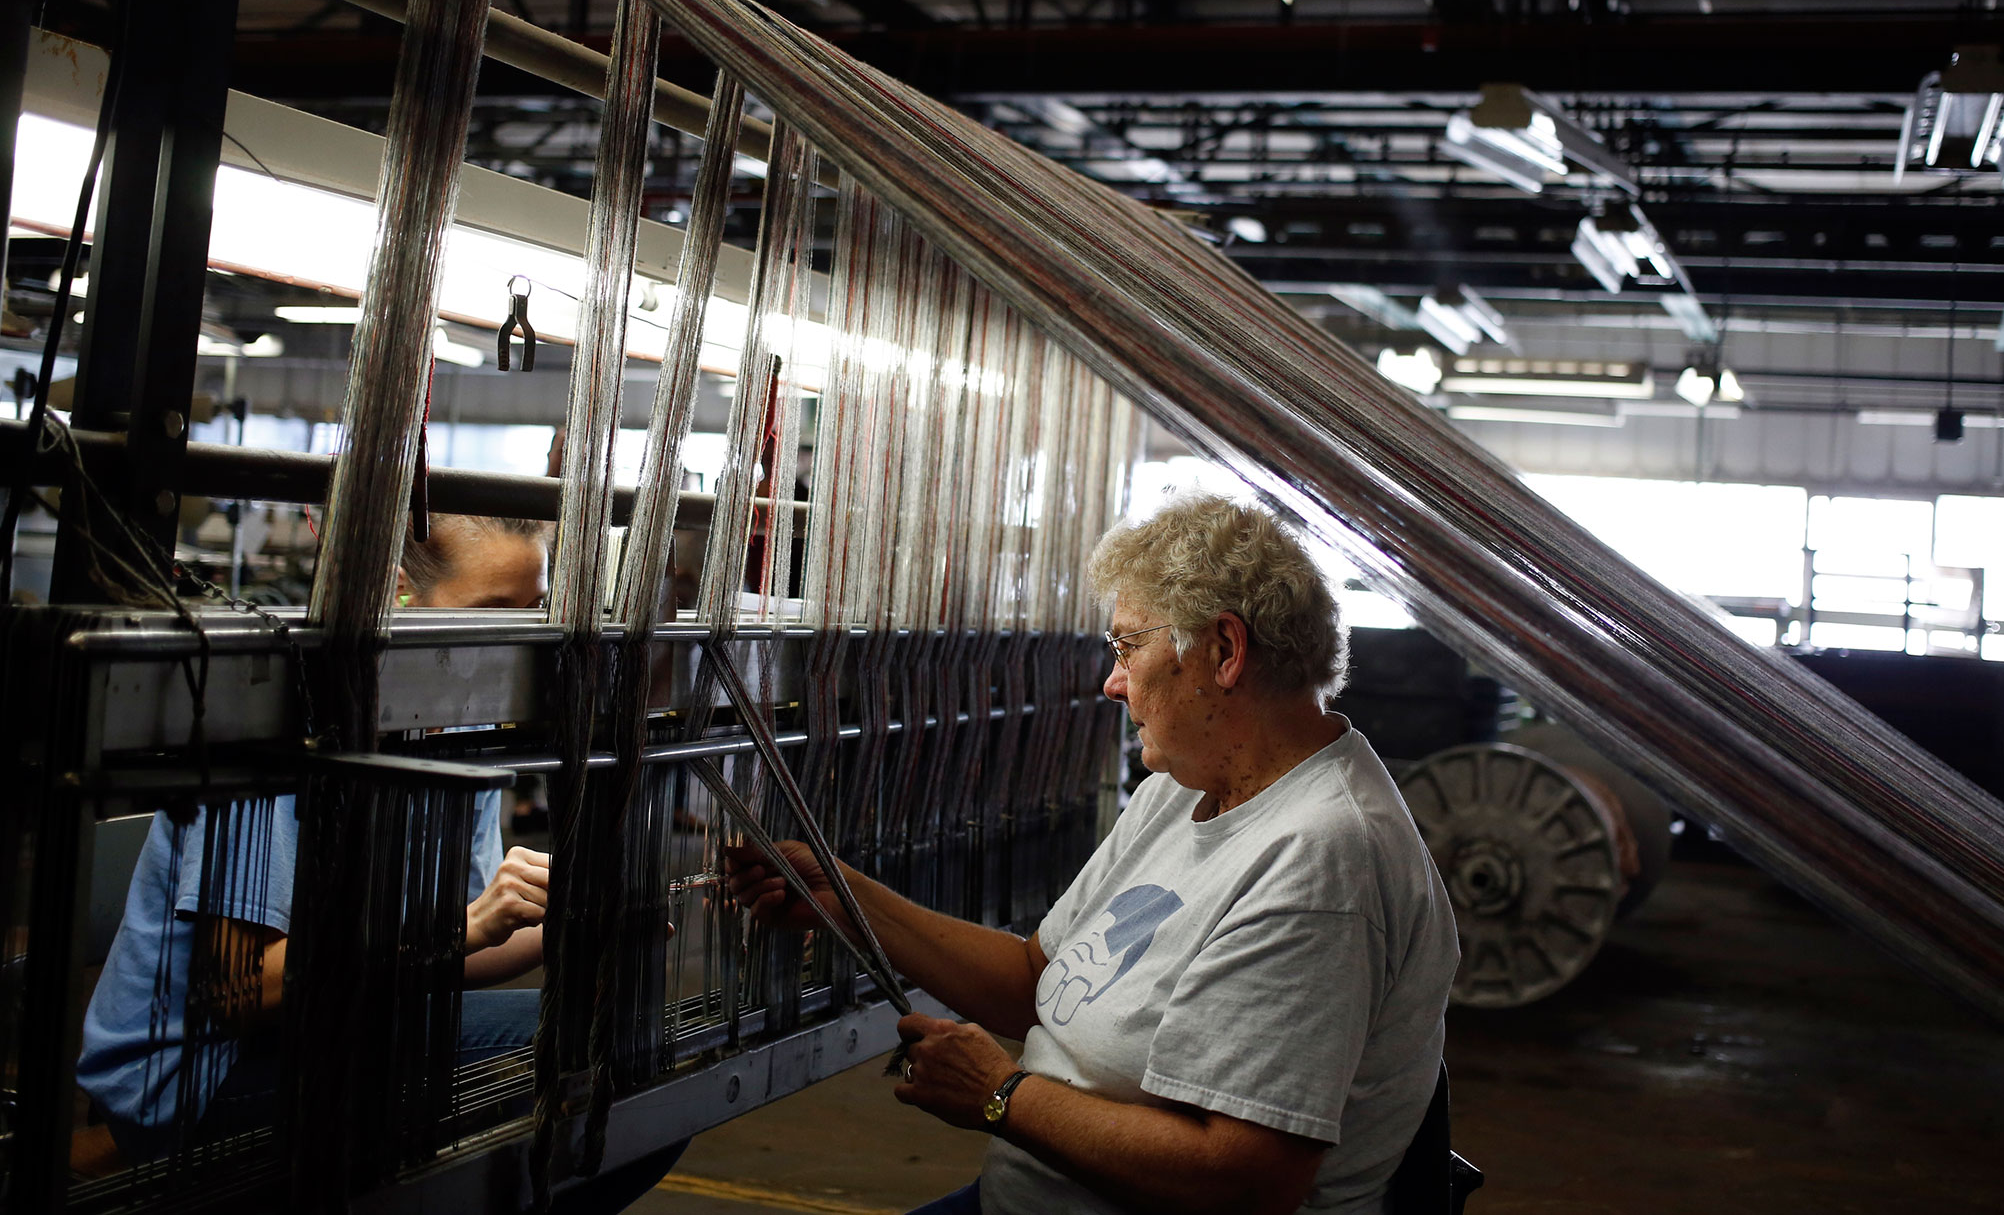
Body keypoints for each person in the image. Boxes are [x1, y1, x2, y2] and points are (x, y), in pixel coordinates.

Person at [728, 493, 1460, 1215]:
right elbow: (1038, 979)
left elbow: (1243, 1181)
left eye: (1127, 646)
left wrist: (1000, 1094)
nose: (1112, 681)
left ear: (1224, 651)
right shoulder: (1182, 790)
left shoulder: (1323, 860)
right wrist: (844, 898)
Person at [77, 514, 556, 1166]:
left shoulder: (458, 731)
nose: (519, 642)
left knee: (609, 1033)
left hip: (336, 1017)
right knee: (554, 1044)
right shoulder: (283, 715)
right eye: (493, 610)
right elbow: (241, 992)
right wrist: (459, 927)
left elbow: (456, 947)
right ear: (394, 595)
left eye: (533, 612)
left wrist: (573, 919)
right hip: (196, 1074)